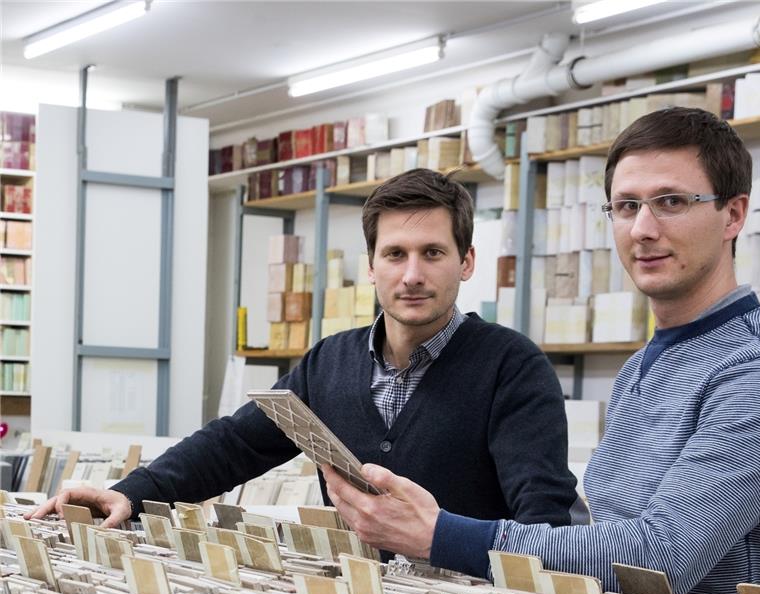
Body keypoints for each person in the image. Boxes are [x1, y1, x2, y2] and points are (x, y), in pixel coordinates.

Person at [323, 108, 760, 594]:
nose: (642, 229)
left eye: (672, 202)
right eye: (626, 206)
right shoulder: (644, 365)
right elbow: (608, 530)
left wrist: (440, 534)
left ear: (733, 215)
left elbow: (659, 558)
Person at [29, 169, 580, 539]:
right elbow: (235, 445)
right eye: (395, 254)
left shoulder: (513, 367)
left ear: (466, 262)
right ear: (371, 266)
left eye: (432, 252)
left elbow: (545, 523)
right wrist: (128, 493)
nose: (412, 274)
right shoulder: (330, 363)